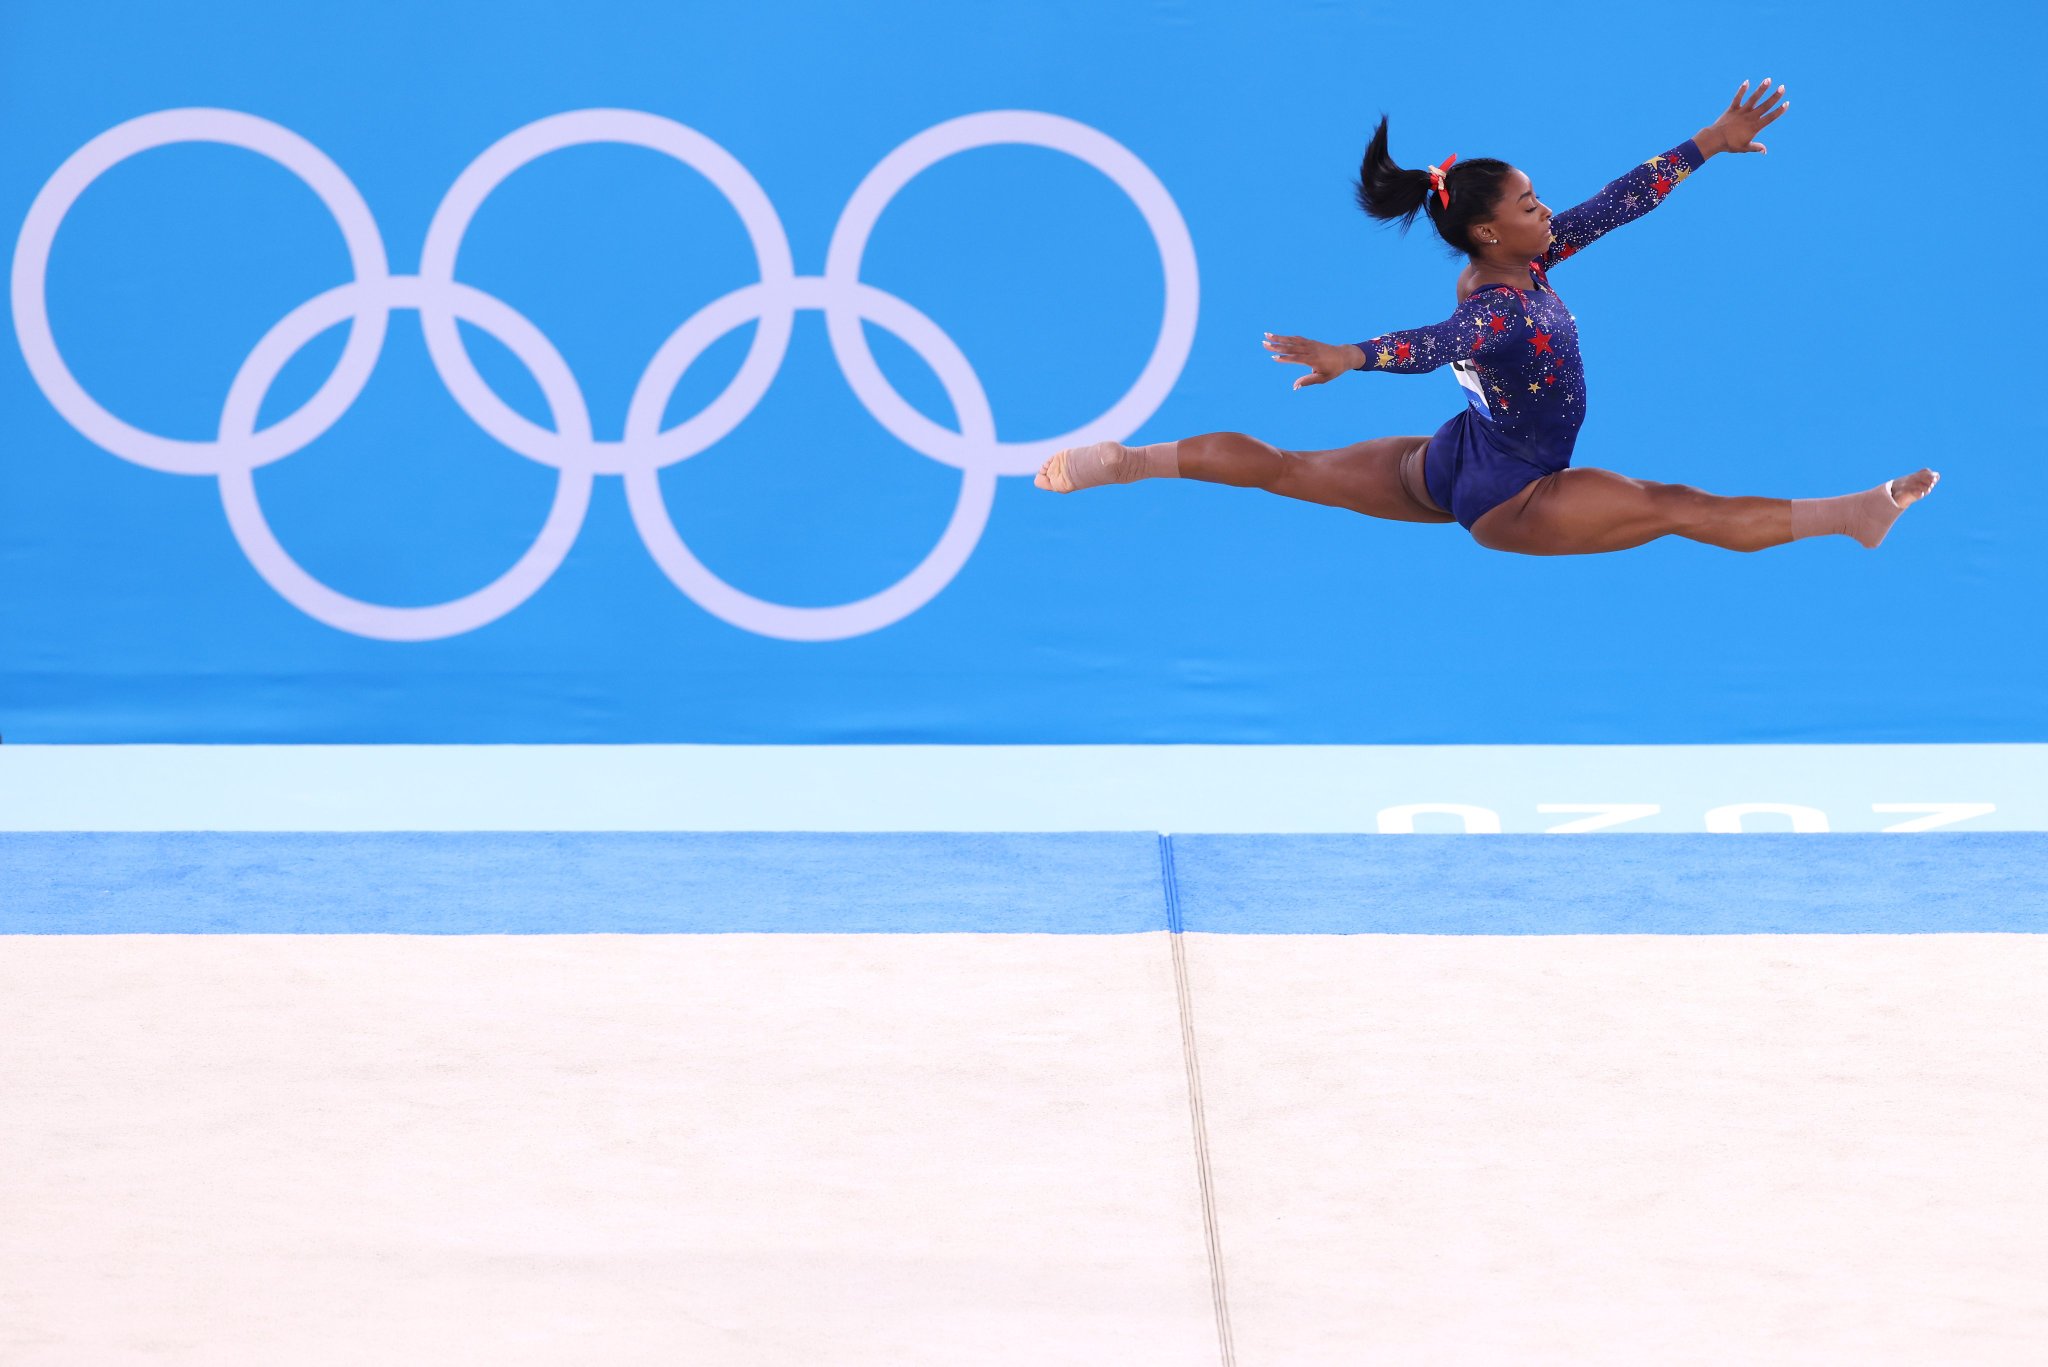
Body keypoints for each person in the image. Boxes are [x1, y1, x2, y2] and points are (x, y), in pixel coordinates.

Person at [1035, 78, 1937, 554]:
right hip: (1517, 493)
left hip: (1454, 459)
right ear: (1484, 230)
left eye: (1540, 196)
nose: (1546, 209)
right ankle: (1850, 515)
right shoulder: (1500, 305)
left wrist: (1709, 142)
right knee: (1675, 507)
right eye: (1529, 201)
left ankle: (1131, 460)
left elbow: (1623, 201)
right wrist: (1354, 355)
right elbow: (1439, 346)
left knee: (1282, 468)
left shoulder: (1527, 261)